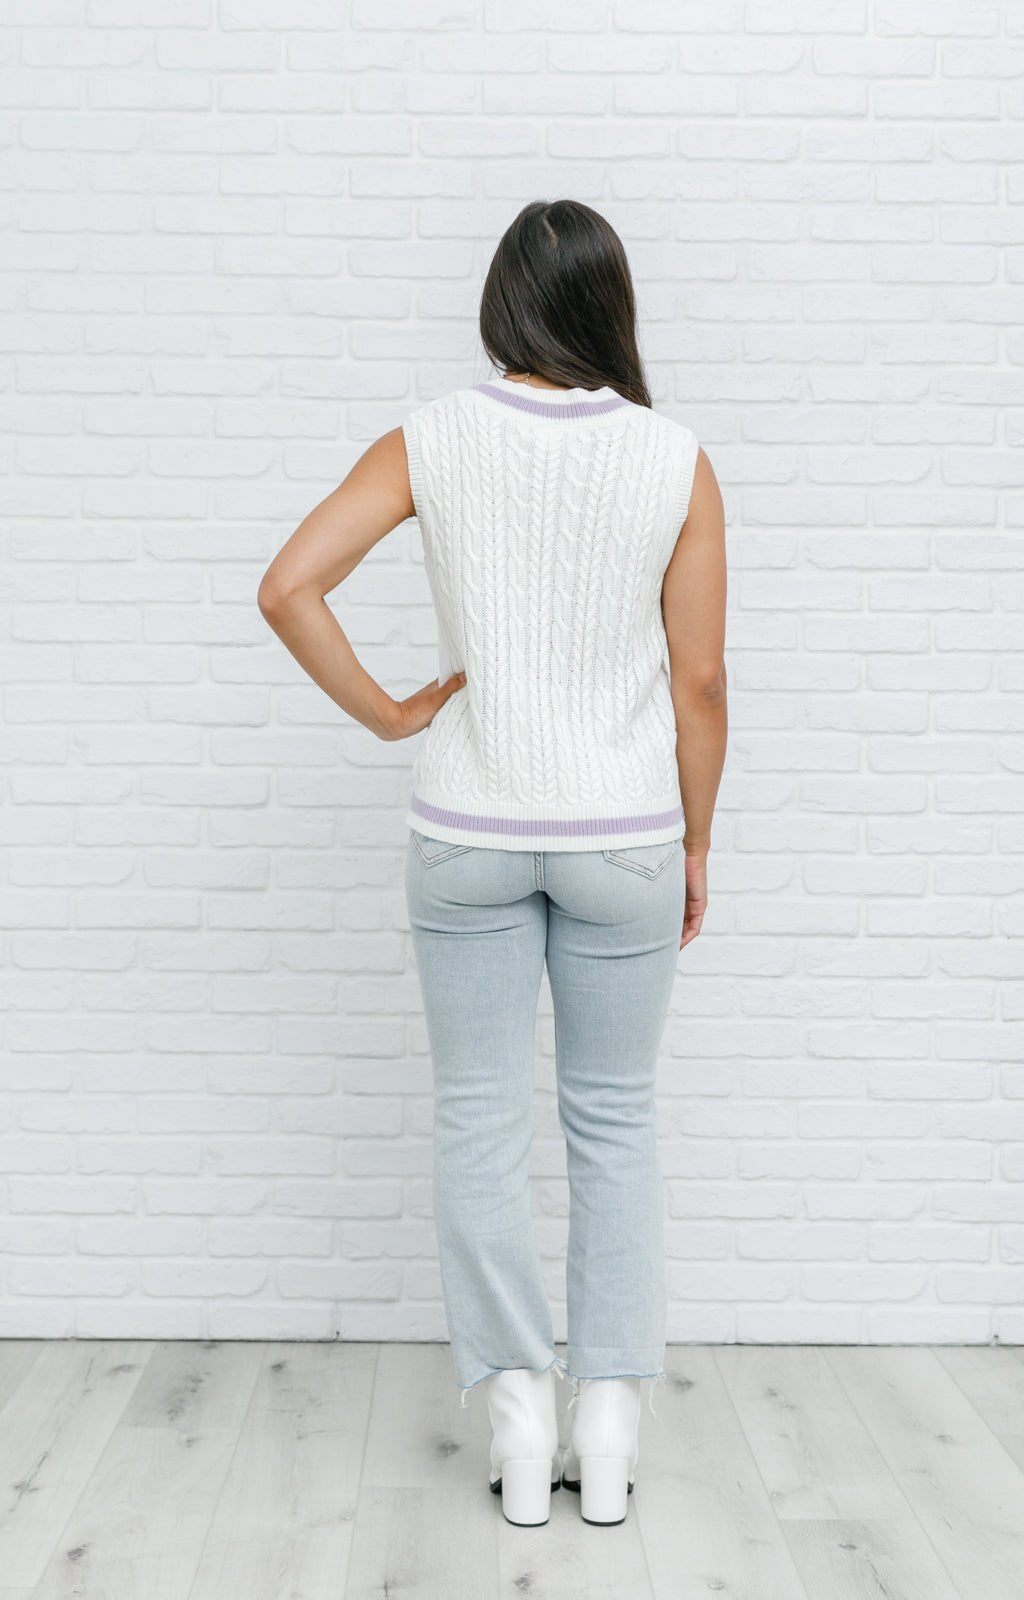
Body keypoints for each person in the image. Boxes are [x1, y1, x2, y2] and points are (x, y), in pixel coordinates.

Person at [257, 198, 728, 1529]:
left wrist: (393, 714)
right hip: (623, 835)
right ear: (611, 306)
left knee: (477, 1117)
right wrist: (695, 839)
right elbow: (699, 680)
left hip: (465, 828)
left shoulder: (430, 439)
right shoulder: (675, 459)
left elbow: (289, 585)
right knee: (614, 1119)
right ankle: (609, 1431)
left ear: (502, 303)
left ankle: (520, 1425)